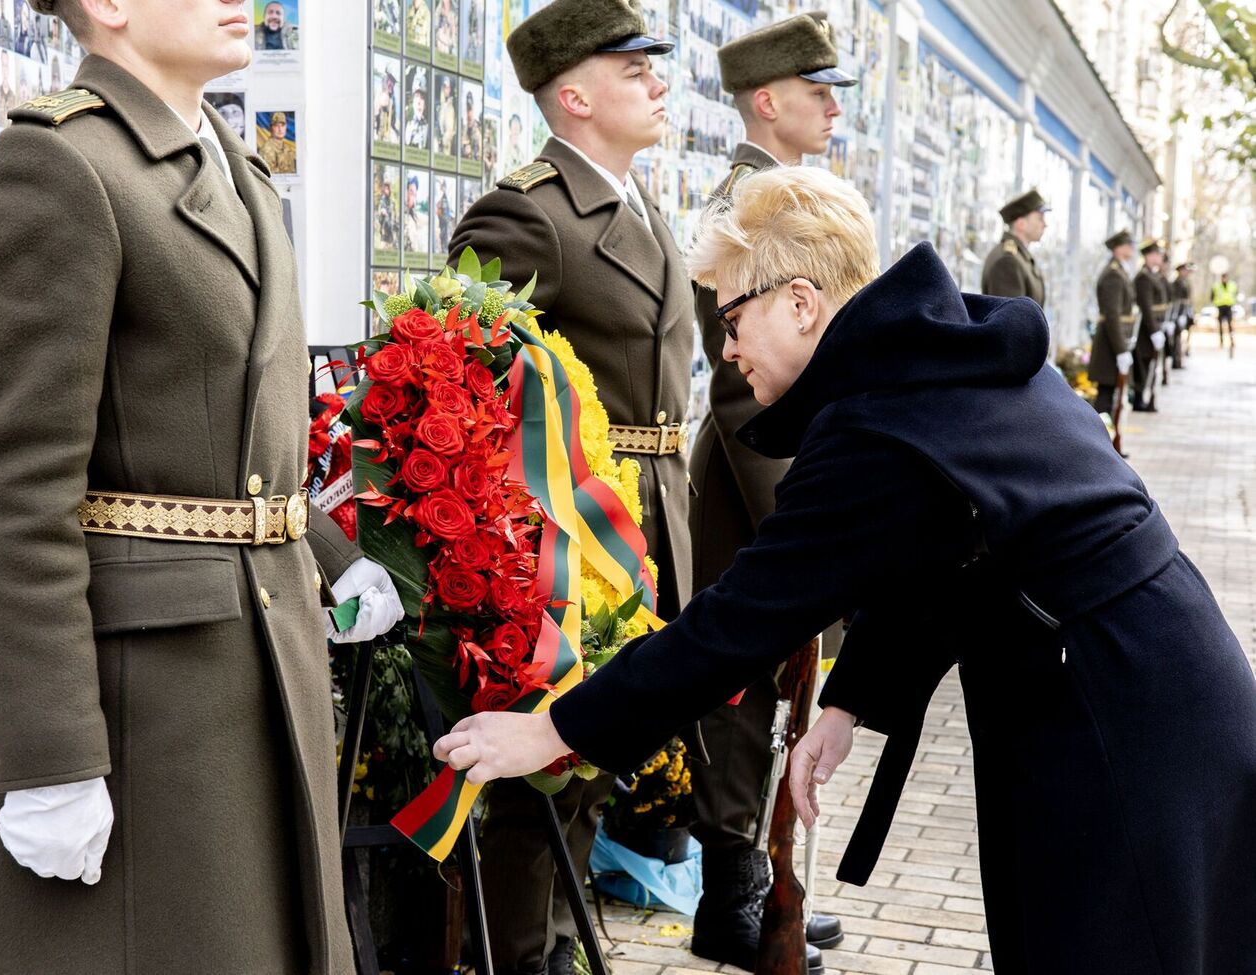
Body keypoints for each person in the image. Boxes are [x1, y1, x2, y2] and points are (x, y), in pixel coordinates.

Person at [436, 165, 1256, 974]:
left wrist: (553, 728)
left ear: (800, 303)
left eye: (732, 319)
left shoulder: (877, 421)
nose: (725, 348)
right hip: (1148, 684)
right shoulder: (932, 357)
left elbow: (738, 622)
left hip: (1121, 722)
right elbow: (951, 551)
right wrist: (850, 702)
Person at [0, 0, 406, 970]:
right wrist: (48, 755)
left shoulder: (237, 172)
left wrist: (327, 558)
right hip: (149, 703)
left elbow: (229, 440)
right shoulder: (57, 167)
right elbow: (6, 488)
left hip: (259, 655)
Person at [448, 2, 691, 972]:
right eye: (635, 71)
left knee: (600, 747)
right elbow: (458, 386)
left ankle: (561, 934)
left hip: (646, 511)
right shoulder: (527, 212)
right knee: (539, 765)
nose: (658, 84)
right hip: (565, 535)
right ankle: (524, 953)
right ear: (576, 95)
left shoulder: (640, 208)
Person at [683, 12, 855, 969]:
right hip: (758, 482)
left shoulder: (785, 194)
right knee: (742, 694)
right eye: (816, 91)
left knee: (772, 692)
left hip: (787, 471)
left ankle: (756, 883)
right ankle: (732, 899)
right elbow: (736, 380)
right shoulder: (749, 205)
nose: (832, 107)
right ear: (767, 102)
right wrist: (798, 518)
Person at [1088, 229, 1136, 449]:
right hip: (1109, 345)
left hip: (1114, 343)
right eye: (1128, 244)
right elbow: (1112, 315)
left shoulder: (1119, 272)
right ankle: (1098, 446)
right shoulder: (1113, 275)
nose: (1132, 248)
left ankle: (1105, 446)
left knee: (1110, 397)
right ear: (1119, 248)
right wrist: (1120, 350)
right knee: (1105, 399)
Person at [980, 188, 1047, 304]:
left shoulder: (1020, 258)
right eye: (1039, 218)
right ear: (1021, 224)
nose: (1045, 224)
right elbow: (1011, 320)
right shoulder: (1008, 262)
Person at [1131, 239, 1167, 412]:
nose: (1159, 257)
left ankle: (1144, 397)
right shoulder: (1143, 277)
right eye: (1157, 254)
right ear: (1149, 256)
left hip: (1154, 326)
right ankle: (1139, 399)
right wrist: (1154, 331)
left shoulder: (1152, 275)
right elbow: (1146, 306)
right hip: (1145, 330)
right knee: (1143, 363)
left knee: (1149, 364)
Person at [1171, 261, 1194, 367]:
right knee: (1177, 337)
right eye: (1184, 270)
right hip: (1179, 312)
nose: (1186, 272)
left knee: (1184, 336)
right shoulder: (1176, 283)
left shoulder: (1185, 282)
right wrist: (1179, 314)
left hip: (1185, 311)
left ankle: (1181, 357)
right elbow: (1177, 300)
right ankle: (1176, 360)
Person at [259, 109, 296, 174]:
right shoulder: (265, 150)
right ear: (270, 128)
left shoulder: (289, 150)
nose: (280, 129)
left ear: (286, 127)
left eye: (282, 125)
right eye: (276, 125)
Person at [1212, 271, 1237, 355]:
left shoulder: (1232, 285)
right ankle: (1221, 341)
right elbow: (1212, 296)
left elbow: (1235, 294)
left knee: (1230, 325)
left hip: (1229, 307)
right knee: (1220, 326)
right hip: (1220, 307)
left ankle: (1231, 340)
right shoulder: (1216, 286)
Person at [402, 172, 424, 252]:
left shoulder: (414, 217)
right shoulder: (398, 212)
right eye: (410, 192)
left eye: (414, 195)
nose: (411, 197)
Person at [405, 79, 429, 148]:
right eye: (416, 96)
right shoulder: (405, 121)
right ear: (412, 102)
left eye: (422, 98)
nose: (419, 102)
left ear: (425, 106)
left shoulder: (427, 126)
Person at [460, 88, 480, 162]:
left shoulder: (477, 133)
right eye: (468, 110)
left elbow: (478, 155)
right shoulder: (463, 131)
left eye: (470, 110)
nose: (469, 114)